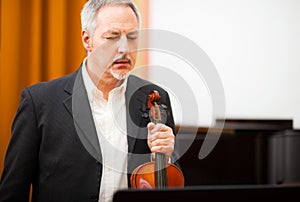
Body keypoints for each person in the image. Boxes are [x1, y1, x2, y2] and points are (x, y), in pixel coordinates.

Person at [0, 0, 179, 202]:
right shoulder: (39, 102)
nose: (124, 49)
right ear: (87, 40)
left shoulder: (155, 97)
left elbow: (172, 185)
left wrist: (165, 158)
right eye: (112, 37)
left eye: (132, 37)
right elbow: (13, 192)